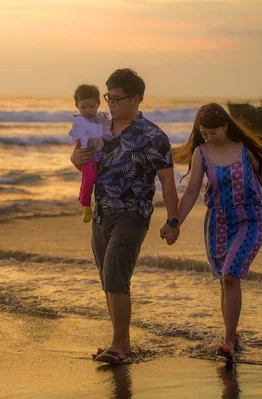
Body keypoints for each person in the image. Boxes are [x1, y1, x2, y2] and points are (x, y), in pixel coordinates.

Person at [70, 68, 179, 364]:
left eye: (116, 99)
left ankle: (119, 346)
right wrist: (75, 158)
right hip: (101, 214)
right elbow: (83, 159)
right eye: (108, 98)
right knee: (108, 280)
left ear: (136, 99)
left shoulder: (153, 136)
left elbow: (167, 181)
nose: (110, 104)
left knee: (117, 277)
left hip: (133, 215)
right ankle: (120, 343)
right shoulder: (100, 128)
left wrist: (173, 219)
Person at [171, 103, 262, 360]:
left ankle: (228, 341)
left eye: (213, 132)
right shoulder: (201, 153)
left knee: (230, 274)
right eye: (204, 133)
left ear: (225, 126)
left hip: (249, 218)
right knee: (225, 280)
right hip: (218, 222)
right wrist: (175, 223)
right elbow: (191, 191)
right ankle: (231, 335)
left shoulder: (246, 151)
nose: (208, 137)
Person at [68, 84, 112, 223]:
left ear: (98, 104)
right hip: (87, 154)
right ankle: (85, 204)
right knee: (89, 177)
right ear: (77, 106)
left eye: (91, 107)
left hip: (100, 154)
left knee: (98, 176)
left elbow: (108, 132)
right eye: (83, 107)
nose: (88, 110)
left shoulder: (102, 118)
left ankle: (88, 200)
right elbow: (79, 138)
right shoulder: (79, 122)